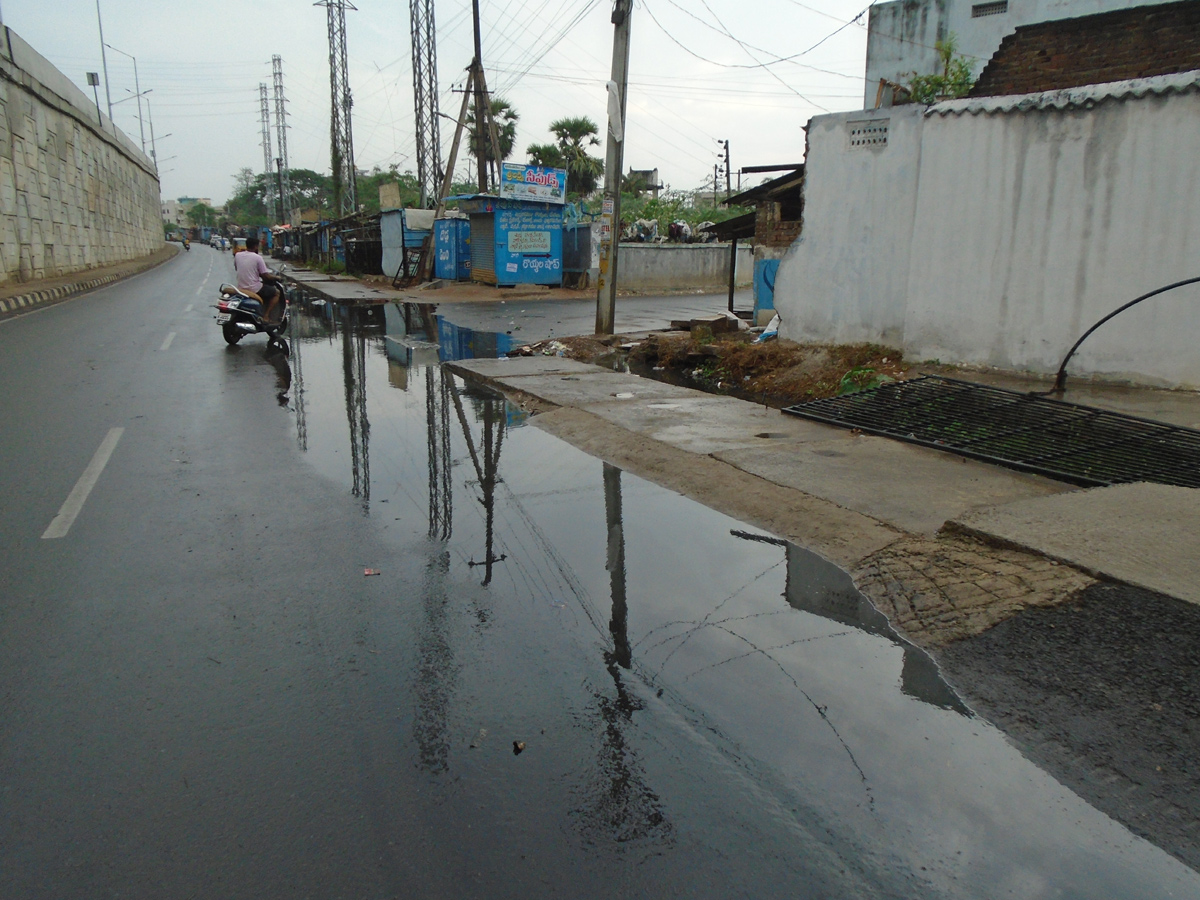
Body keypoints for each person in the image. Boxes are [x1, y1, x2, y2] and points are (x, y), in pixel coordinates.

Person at [234, 236, 282, 323]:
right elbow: (265, 276)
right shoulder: (257, 257)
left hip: (240, 288)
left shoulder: (238, 255)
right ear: (256, 246)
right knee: (276, 293)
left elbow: (238, 268)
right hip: (254, 288)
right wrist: (276, 277)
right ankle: (266, 315)